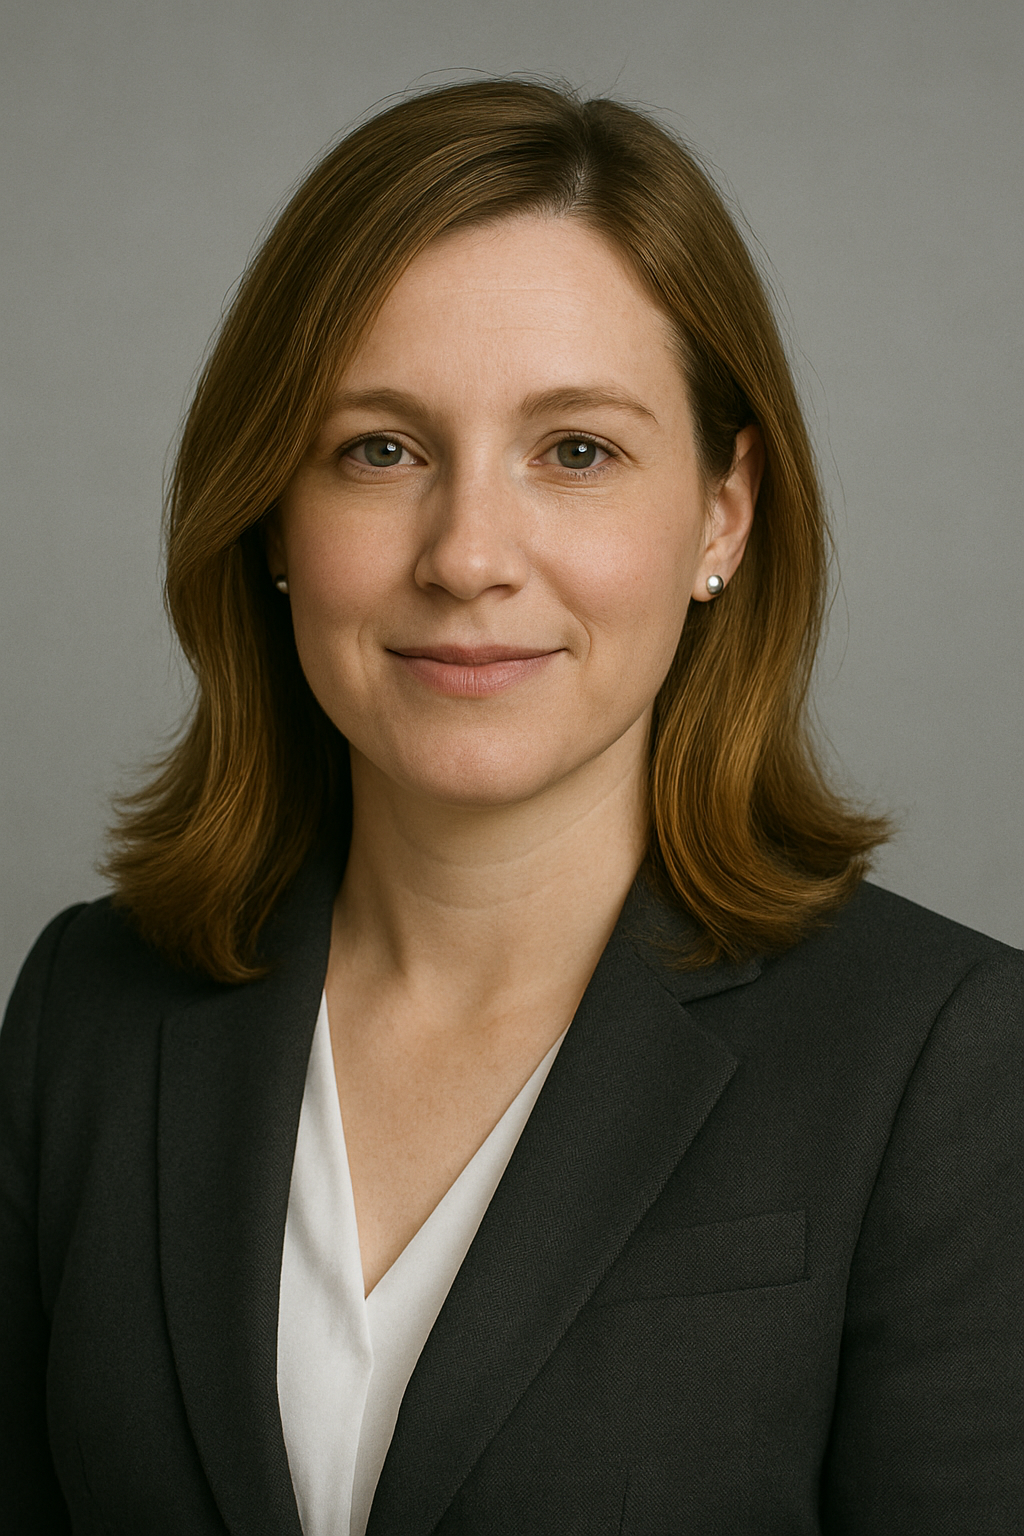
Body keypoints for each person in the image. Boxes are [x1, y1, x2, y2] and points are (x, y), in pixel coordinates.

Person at [1, 78, 1021, 1536]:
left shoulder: (948, 1062)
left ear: (724, 513)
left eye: (578, 451)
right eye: (380, 449)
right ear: (274, 517)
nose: (469, 554)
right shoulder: (85, 1016)